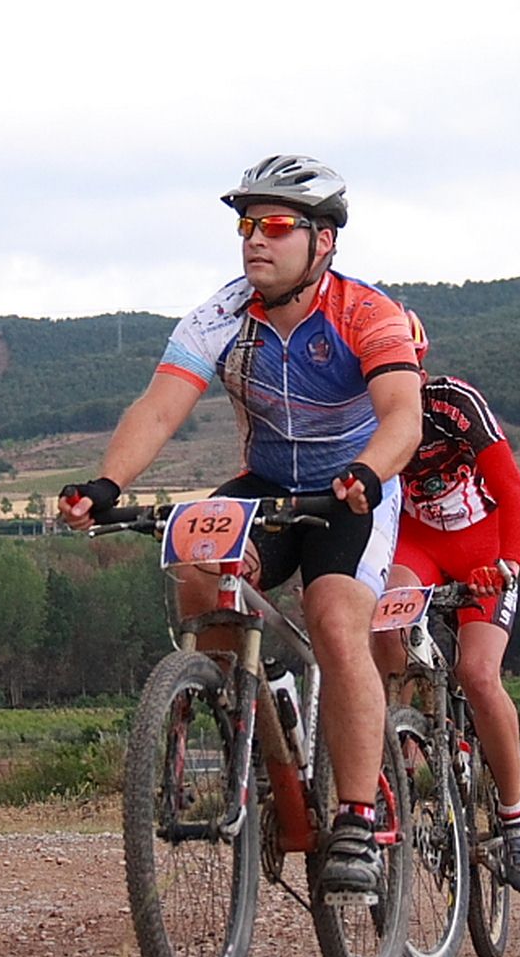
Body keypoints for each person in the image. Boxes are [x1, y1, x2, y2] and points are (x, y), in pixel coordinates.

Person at [60, 154, 423, 901]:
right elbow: (159, 408)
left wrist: (367, 472)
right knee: (197, 564)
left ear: (323, 240)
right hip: (267, 482)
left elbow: (402, 419)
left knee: (334, 618)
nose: (256, 238)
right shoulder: (219, 317)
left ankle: (356, 818)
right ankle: (246, 716)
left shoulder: (366, 313)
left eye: (277, 225)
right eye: (247, 225)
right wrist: (106, 485)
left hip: (353, 489)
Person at [372, 311, 520, 892]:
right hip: (418, 543)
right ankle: (400, 757)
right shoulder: (364, 414)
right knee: (384, 624)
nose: (394, 380)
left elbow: (514, 493)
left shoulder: (454, 403)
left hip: (482, 545)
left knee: (478, 673)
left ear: (421, 366)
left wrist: (508, 565)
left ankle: (515, 816)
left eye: (405, 368)